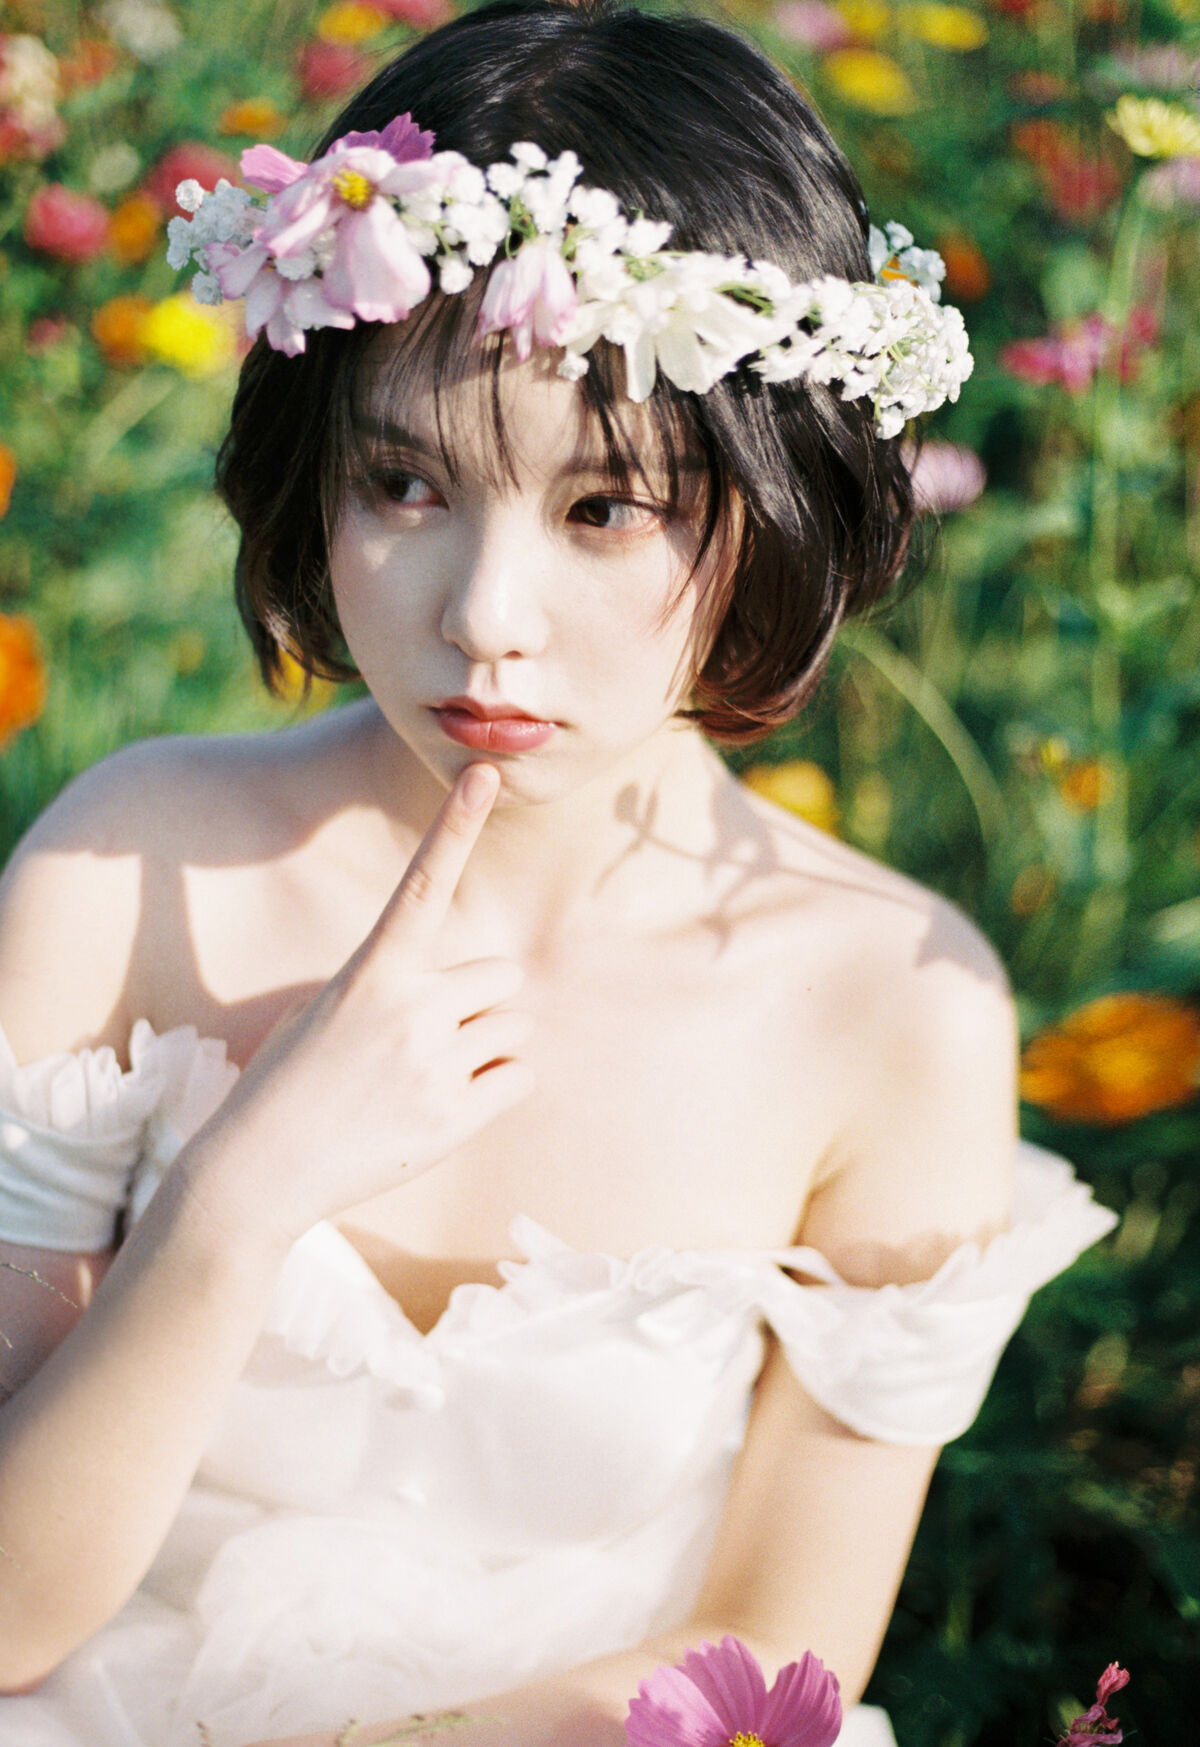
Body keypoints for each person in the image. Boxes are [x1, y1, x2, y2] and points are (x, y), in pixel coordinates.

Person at [0, 3, 1116, 1744]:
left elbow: (781, 1659)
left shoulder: (894, 1007)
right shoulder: (129, 863)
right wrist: (235, 1199)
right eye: (402, 483)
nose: (484, 618)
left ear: (777, 501)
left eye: (607, 509)